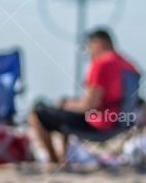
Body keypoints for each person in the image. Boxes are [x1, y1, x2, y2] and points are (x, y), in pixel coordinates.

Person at [28, 28, 138, 164]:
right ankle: (62, 156)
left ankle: (54, 160)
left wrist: (65, 104)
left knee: (36, 113)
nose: (88, 51)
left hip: (99, 123)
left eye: (88, 46)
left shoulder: (101, 63)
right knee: (63, 115)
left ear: (97, 43)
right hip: (121, 121)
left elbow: (88, 105)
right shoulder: (128, 64)